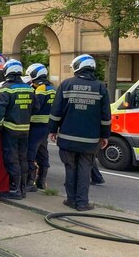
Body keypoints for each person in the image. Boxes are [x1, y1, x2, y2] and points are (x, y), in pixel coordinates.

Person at [49, 54, 111, 211]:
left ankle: (71, 200)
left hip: (67, 137)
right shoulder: (100, 87)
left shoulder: (66, 84)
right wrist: (105, 135)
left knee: (70, 168)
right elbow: (105, 116)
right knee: (85, 169)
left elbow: (56, 111)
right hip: (90, 140)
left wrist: (52, 130)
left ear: (77, 67)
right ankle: (82, 203)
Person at [0, 59, 38, 199]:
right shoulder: (29, 88)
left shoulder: (5, 88)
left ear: (7, 72)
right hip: (25, 129)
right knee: (22, 158)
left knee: (11, 158)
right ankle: (22, 189)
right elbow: (36, 108)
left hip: (9, 128)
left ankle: (14, 190)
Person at [24, 63, 56, 192]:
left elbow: (35, 106)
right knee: (43, 153)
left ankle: (30, 182)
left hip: (36, 126)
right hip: (46, 126)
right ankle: (41, 182)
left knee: (30, 153)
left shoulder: (41, 89)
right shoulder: (51, 88)